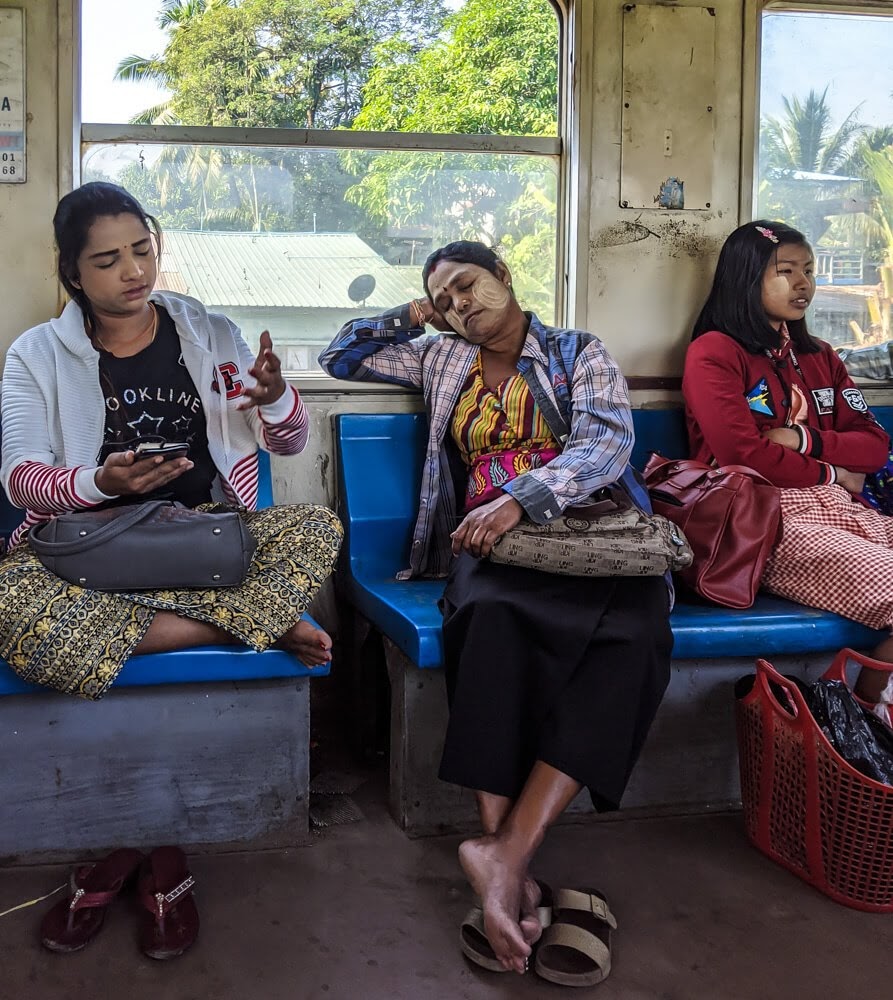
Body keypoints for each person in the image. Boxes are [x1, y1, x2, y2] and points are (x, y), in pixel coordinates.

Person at [319, 241, 672, 978]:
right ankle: (506, 868)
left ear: (504, 276)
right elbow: (340, 357)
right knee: (486, 625)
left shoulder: (579, 351)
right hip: (488, 545)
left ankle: (505, 857)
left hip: (591, 534)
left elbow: (608, 444)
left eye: (467, 284)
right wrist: (413, 314)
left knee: (637, 636)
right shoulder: (440, 358)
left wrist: (525, 498)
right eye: (444, 299)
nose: (460, 304)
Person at [0, 182, 342, 699]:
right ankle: (249, 622)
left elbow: (289, 444)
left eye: (142, 250)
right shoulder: (37, 353)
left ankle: (165, 620)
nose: (134, 271)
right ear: (73, 272)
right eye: (108, 260)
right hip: (87, 545)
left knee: (316, 526)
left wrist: (274, 398)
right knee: (11, 608)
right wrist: (101, 482)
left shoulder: (213, 334)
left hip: (202, 536)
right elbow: (22, 482)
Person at [684, 220, 893, 701]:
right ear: (747, 277)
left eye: (809, 271)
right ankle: (861, 720)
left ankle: (863, 722)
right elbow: (745, 456)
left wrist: (802, 439)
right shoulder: (714, 353)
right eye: (786, 271)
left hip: (843, 509)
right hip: (767, 519)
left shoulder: (820, 357)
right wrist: (835, 470)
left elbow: (876, 446)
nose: (804, 284)